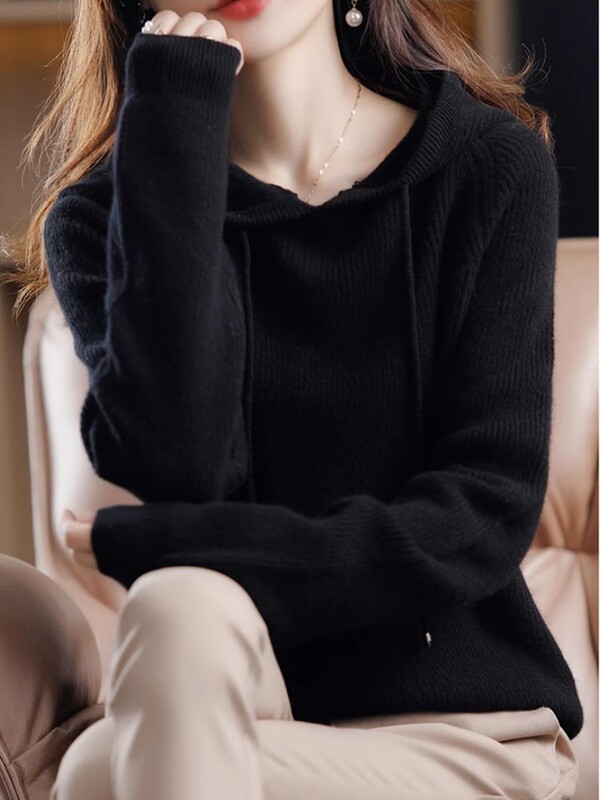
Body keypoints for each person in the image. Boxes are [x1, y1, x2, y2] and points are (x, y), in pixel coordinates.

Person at [1, 0, 583, 797]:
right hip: (249, 711)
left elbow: (483, 514)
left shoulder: (490, 167)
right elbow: (180, 461)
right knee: (177, 604)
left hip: (470, 734)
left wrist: (176, 544)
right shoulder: (101, 220)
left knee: (98, 775)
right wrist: (174, 127)